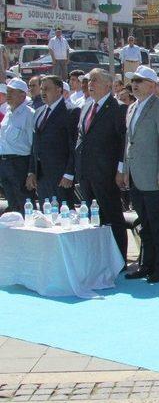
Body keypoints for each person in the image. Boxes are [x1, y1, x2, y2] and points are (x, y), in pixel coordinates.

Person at [119, 66, 159, 283]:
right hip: (136, 175)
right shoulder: (132, 107)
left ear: (152, 86)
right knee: (144, 223)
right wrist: (125, 170)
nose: (135, 84)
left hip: (155, 176)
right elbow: (128, 142)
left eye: (140, 81)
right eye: (133, 80)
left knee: (158, 224)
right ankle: (147, 264)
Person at [75, 68, 128, 261]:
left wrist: (120, 169)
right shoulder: (87, 107)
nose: (90, 83)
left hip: (106, 173)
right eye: (89, 80)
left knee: (112, 216)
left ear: (108, 85)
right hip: (87, 172)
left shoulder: (118, 108)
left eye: (95, 80)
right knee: (93, 217)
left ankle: (118, 260)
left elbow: (124, 142)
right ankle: (100, 258)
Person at [26, 75, 79, 205]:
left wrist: (69, 174)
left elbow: (73, 147)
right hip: (42, 175)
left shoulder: (71, 111)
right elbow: (35, 145)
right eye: (42, 89)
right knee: (47, 214)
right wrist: (32, 171)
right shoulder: (38, 112)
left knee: (63, 214)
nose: (43, 93)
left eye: (47, 89)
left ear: (59, 89)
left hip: (61, 175)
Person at [0, 78, 35, 213]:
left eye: (12, 92)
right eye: (7, 91)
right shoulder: (8, 113)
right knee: (12, 202)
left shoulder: (29, 114)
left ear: (23, 95)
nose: (8, 95)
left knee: (24, 203)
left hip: (20, 164)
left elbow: (34, 146)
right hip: (5, 163)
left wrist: (31, 171)